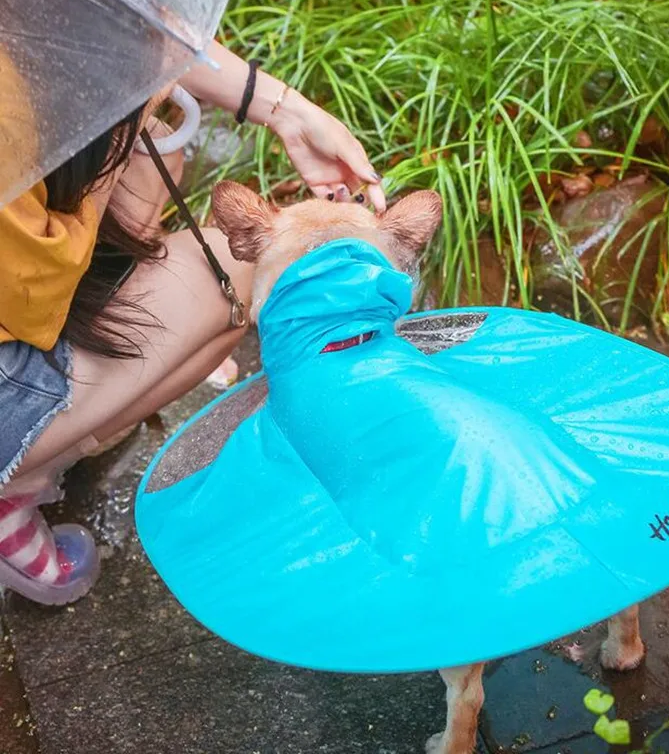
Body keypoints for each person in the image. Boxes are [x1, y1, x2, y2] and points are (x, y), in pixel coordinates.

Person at [0, 39, 385, 605]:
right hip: (23, 297)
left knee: (155, 150)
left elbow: (127, 18)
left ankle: (77, 407)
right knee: (232, 274)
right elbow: (33, 290)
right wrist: (118, 124)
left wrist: (286, 109)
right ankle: (14, 484)